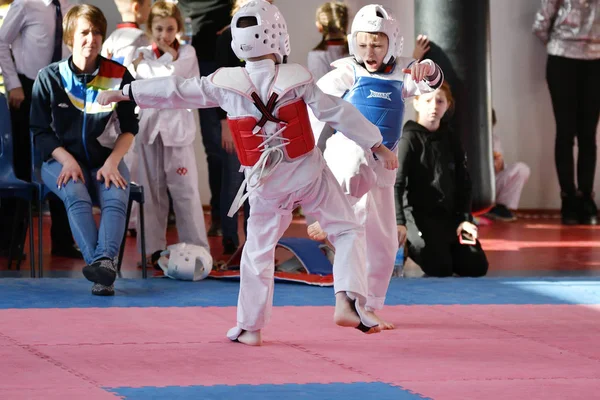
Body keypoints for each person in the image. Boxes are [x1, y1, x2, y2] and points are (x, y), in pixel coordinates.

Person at [99, 0, 399, 346]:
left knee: (258, 249)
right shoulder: (298, 78)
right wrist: (377, 144)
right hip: (307, 173)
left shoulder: (224, 83)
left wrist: (127, 91)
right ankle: (347, 299)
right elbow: (338, 113)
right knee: (346, 229)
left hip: (265, 183)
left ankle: (249, 326)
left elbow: (175, 90)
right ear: (279, 37)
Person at [308, 4, 443, 329]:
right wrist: (308, 149)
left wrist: (428, 68)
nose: (370, 51)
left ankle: (366, 305)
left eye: (378, 44)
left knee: (382, 241)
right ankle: (332, 214)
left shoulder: (402, 73)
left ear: (391, 42)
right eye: (364, 44)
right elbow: (314, 101)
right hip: (348, 157)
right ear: (355, 42)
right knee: (354, 196)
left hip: (384, 165)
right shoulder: (346, 71)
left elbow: (431, 86)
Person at [30, 4, 138, 295]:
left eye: (98, 33)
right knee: (75, 191)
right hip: (58, 161)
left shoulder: (119, 75)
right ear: (69, 37)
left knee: (117, 194)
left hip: (105, 162)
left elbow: (130, 129)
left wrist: (114, 162)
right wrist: (66, 160)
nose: (92, 39)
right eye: (85, 32)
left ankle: (102, 267)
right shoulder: (49, 77)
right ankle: (103, 267)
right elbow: (40, 132)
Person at [130, 0, 209, 267]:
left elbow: (173, 83)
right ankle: (150, 252)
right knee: (150, 194)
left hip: (178, 131)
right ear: (149, 28)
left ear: (178, 29)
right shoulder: (139, 53)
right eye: (159, 28)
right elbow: (140, 82)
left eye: (170, 28)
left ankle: (199, 251)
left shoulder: (188, 53)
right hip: (149, 131)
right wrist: (154, 66)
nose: (164, 35)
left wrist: (164, 62)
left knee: (185, 192)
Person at [0, 0, 80, 260]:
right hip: (27, 89)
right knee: (22, 165)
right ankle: (10, 242)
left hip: (63, 89)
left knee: (63, 160)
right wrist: (12, 84)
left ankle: (63, 242)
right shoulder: (26, 3)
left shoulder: (73, 5)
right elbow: (1, 42)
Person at [395, 82, 489, 278]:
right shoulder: (408, 139)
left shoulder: (451, 138)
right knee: (440, 268)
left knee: (476, 266)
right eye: (428, 100)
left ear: (447, 105)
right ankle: (411, 249)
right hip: (417, 217)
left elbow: (464, 183)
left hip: (448, 218)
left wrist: (465, 220)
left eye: (440, 101)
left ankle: (447, 246)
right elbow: (397, 184)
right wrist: (399, 222)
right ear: (417, 103)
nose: (434, 106)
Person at [532, 0, 600, 225]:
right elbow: (541, 24)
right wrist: (562, 46)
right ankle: (568, 199)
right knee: (565, 132)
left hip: (595, 62)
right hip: (562, 60)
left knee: (588, 134)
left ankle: (586, 197)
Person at [177, 0, 232, 236]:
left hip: (222, 61)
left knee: (222, 148)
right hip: (191, 60)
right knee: (212, 148)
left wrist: (236, 23)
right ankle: (219, 218)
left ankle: (225, 219)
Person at [101, 0, 152, 236]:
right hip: (136, 109)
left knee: (123, 164)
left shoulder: (110, 38)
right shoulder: (142, 38)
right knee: (135, 169)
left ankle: (120, 220)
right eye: (148, 4)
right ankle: (131, 222)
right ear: (136, 6)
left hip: (113, 112)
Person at [485, 109, 530, 222]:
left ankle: (499, 208)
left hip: (489, 185)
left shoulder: (494, 140)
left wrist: (497, 162)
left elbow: (498, 169)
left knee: (522, 169)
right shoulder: (462, 136)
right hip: (470, 186)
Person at [307, 1, 349, 82]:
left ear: (319, 26)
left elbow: (320, 88)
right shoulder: (358, 51)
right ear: (346, 25)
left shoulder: (315, 55)